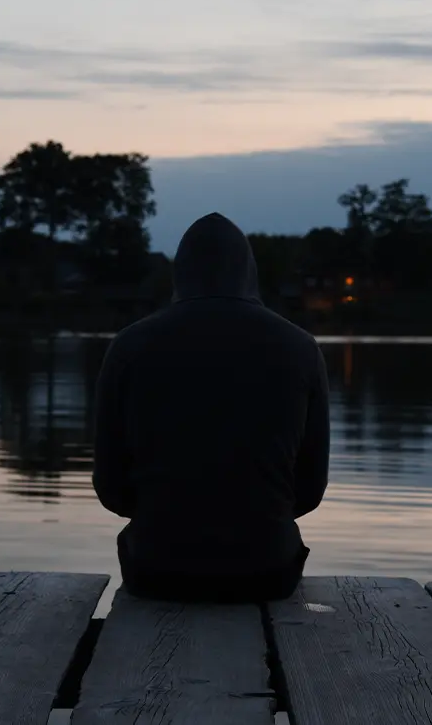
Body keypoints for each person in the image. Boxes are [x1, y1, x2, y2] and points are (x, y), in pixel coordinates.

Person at [91, 212, 330, 603]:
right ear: (249, 272)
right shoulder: (301, 347)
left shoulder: (128, 346)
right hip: (269, 573)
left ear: (179, 275)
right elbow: (309, 491)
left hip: (156, 571)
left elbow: (111, 490)